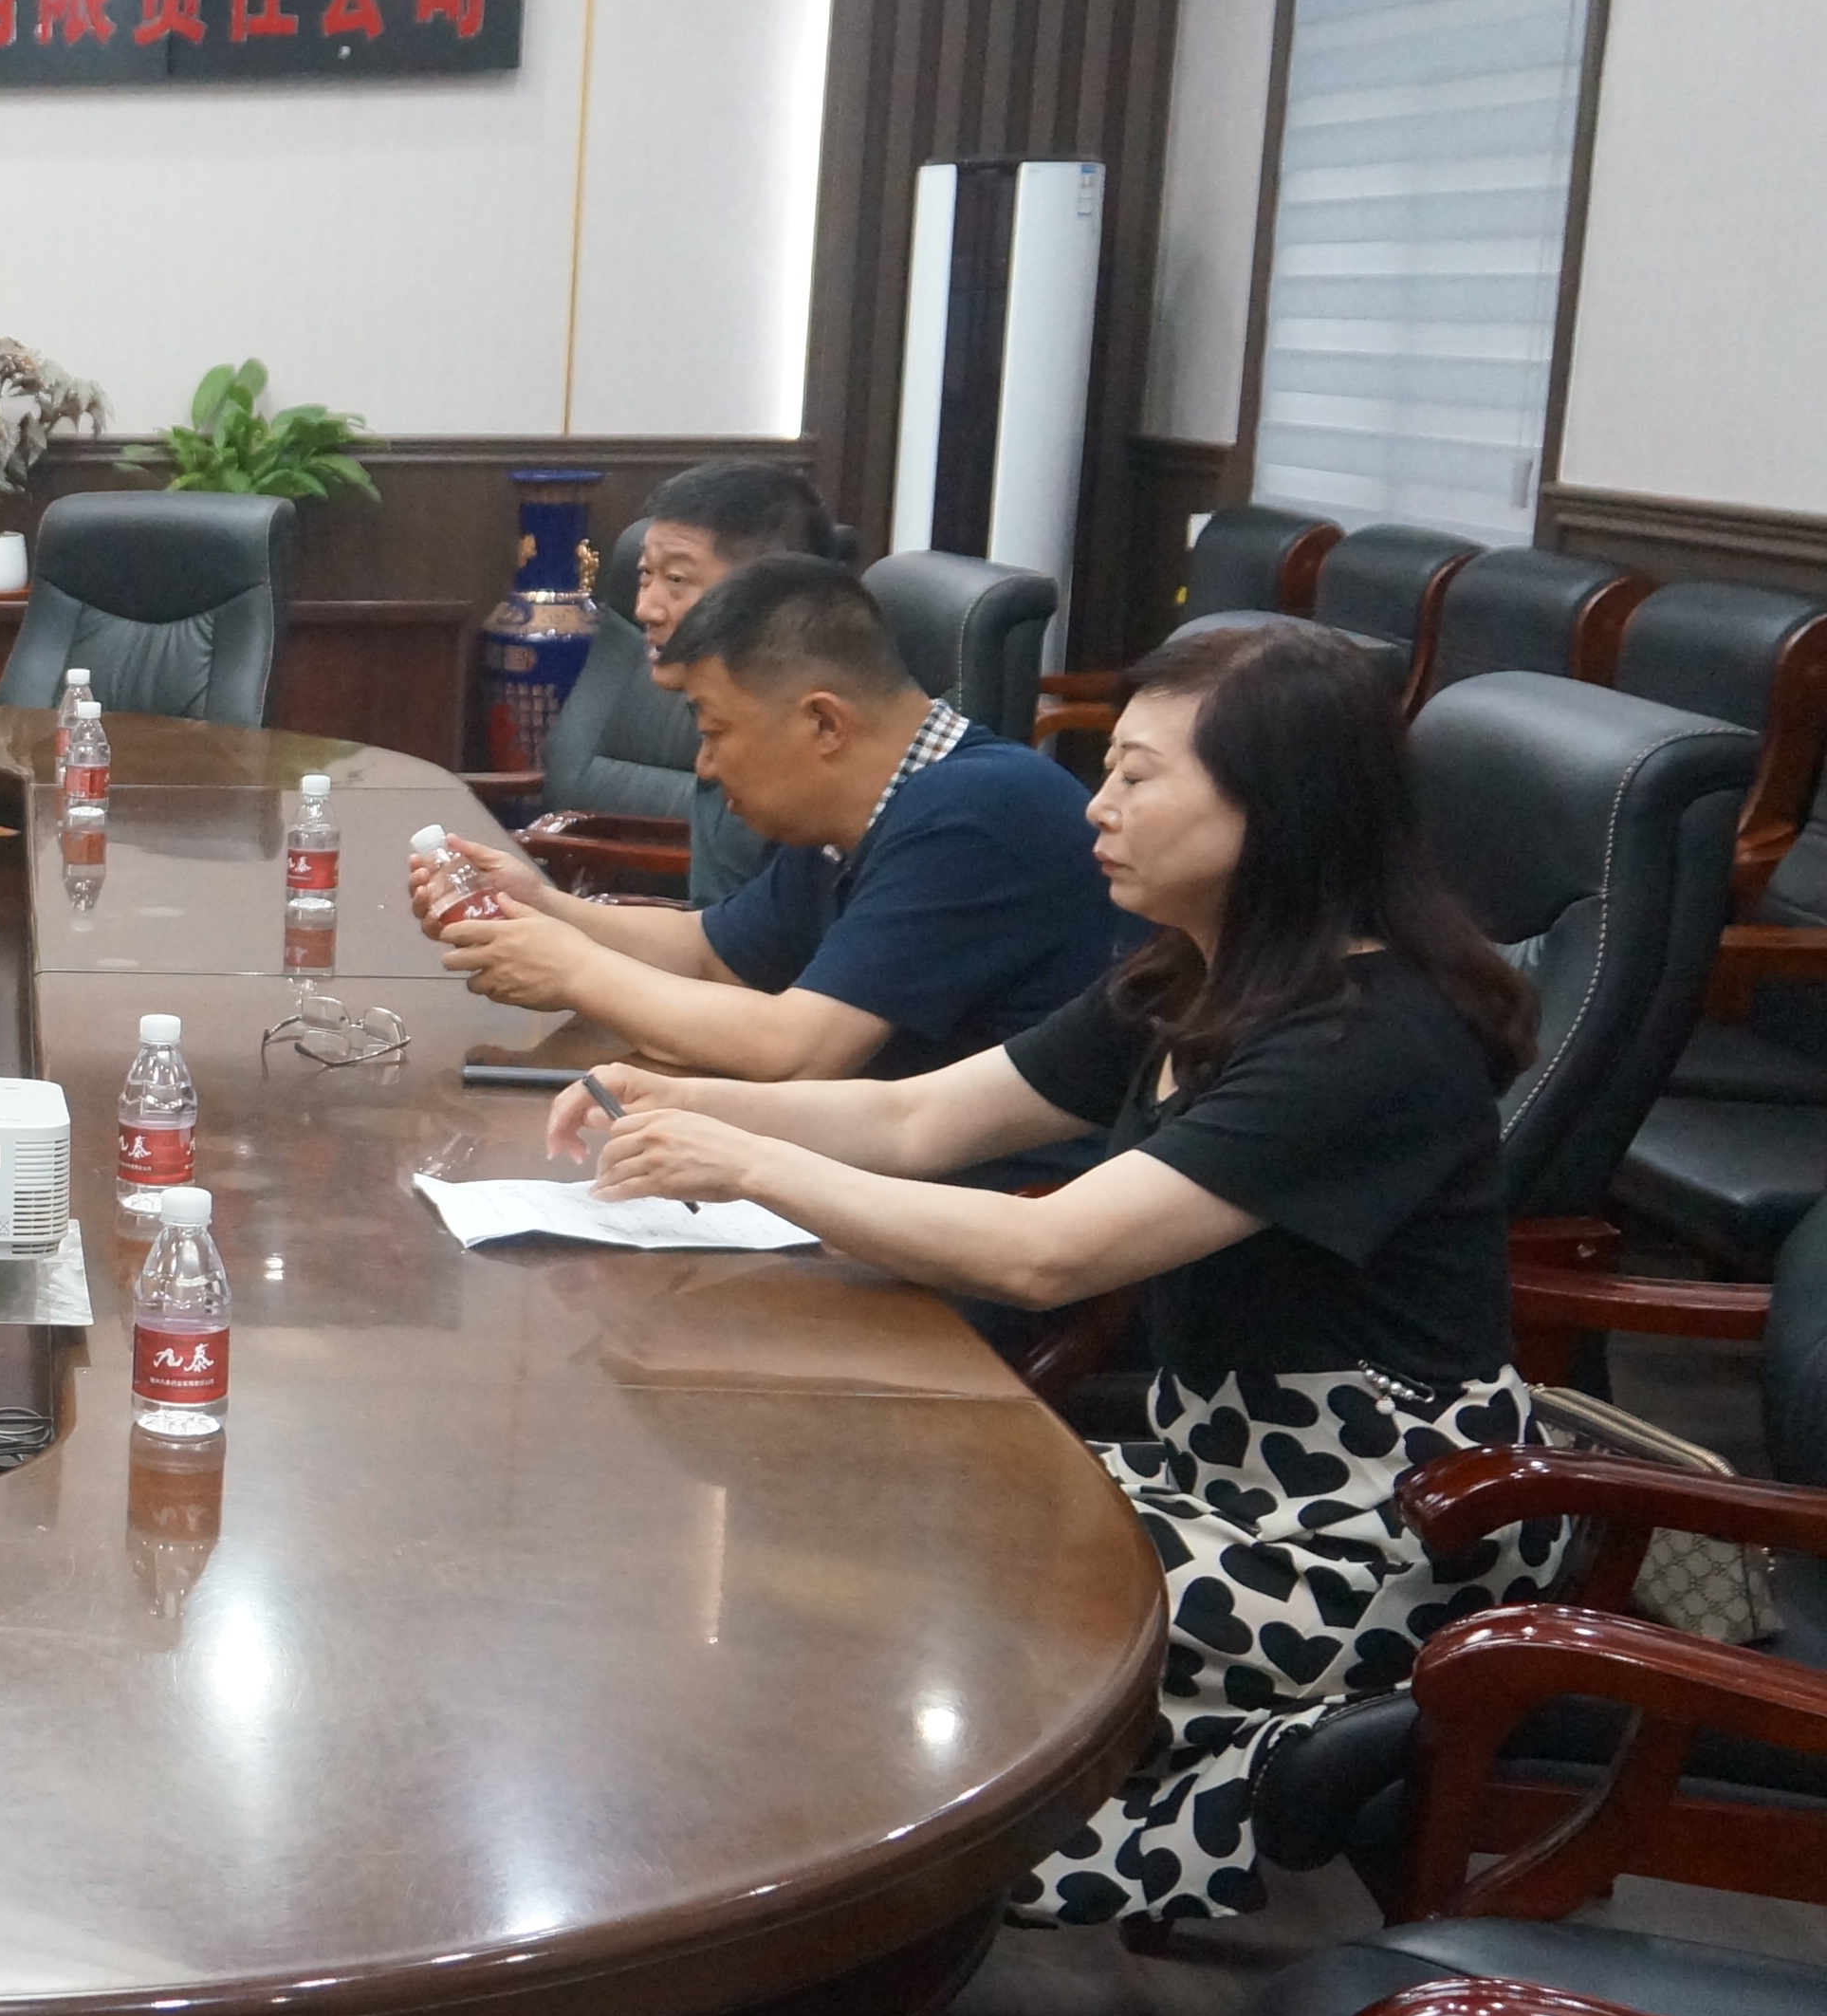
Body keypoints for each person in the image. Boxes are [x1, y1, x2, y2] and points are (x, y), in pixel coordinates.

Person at [555, 619, 1559, 1926]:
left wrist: (745, 1164)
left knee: (887, 1599)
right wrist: (684, 1098)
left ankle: (836, 1909)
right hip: (1217, 1472)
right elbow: (919, 1117)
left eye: (1140, 776)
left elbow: (1050, 1253)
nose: (1099, 805)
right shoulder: (1193, 977)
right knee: (839, 1527)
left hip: (1372, 1530)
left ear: (1277, 812)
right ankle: (784, 1879)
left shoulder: (1362, 1040)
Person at [424, 554, 1137, 1088]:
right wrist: (545, 906)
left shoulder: (976, 811)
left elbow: (798, 1050)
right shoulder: (861, 806)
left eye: (714, 730)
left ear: (823, 722)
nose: (704, 766)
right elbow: (711, 954)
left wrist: (575, 970)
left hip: (999, 1200)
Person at [559, 458, 836, 903]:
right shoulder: (717, 714)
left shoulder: (805, 752)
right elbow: (720, 930)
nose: (645, 609)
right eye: (645, 574)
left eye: (677, 580)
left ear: (772, 596)